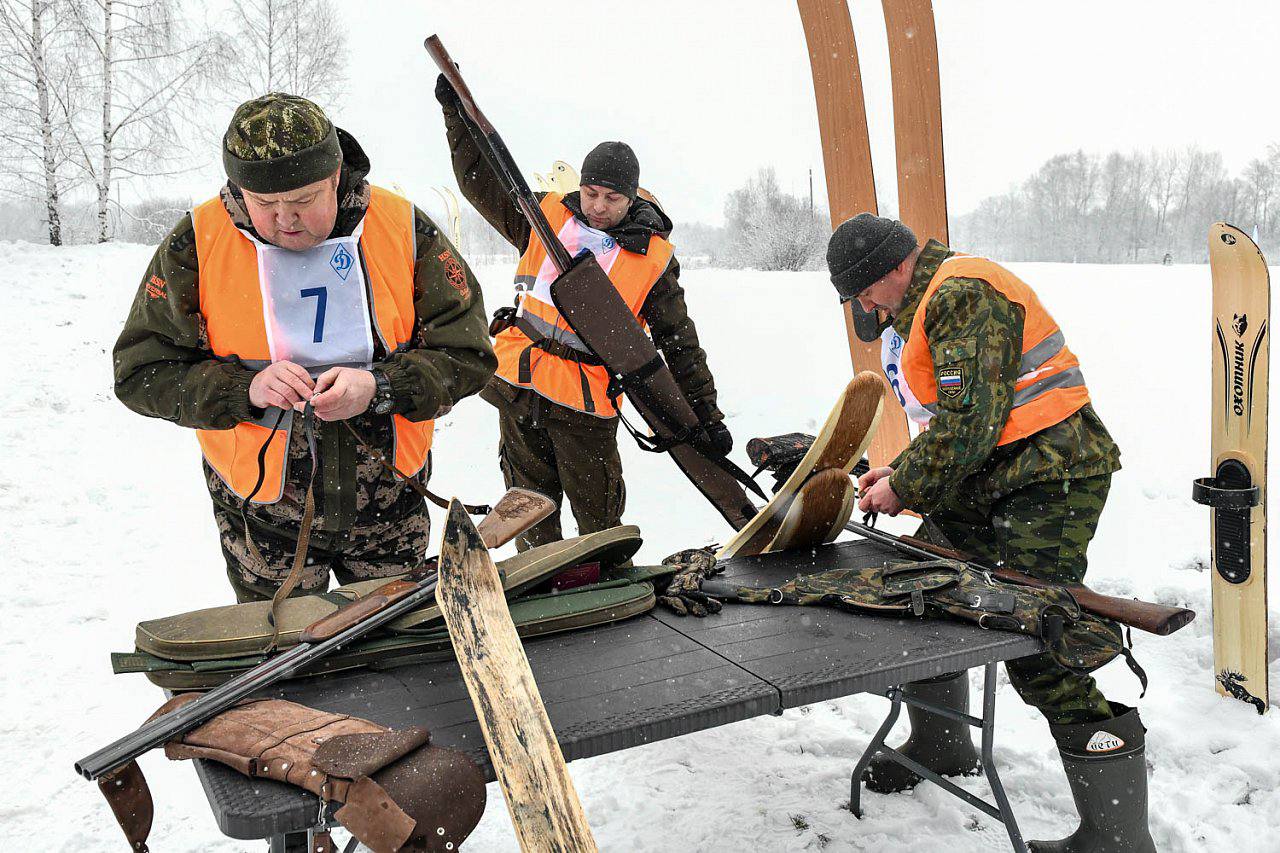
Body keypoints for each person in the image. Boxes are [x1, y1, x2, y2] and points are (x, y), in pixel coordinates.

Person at [829, 214, 1153, 852]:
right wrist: (904, 469)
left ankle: (1117, 836)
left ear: (895, 267)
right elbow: (963, 421)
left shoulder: (961, 294)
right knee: (922, 585)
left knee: (1039, 636)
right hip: (996, 476)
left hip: (1051, 475)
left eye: (865, 292)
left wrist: (907, 486)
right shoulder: (927, 304)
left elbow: (972, 423)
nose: (866, 308)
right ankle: (941, 743)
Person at [113, 93, 496, 603]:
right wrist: (243, 389)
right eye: (265, 203)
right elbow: (141, 371)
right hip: (264, 519)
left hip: (389, 507)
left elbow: (468, 353)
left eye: (303, 201)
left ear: (336, 176)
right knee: (290, 666)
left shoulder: (402, 228)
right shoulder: (198, 242)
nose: (284, 220)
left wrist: (382, 386)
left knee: (402, 660)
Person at [435, 76, 731, 551]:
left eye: (612, 198)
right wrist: (457, 120)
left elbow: (678, 342)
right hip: (520, 388)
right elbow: (482, 185)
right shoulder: (546, 216)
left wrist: (706, 412)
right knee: (528, 520)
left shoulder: (652, 257)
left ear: (632, 197)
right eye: (591, 192)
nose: (597, 207)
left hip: (584, 405)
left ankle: (610, 602)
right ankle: (542, 601)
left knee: (599, 526)